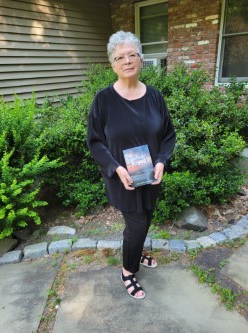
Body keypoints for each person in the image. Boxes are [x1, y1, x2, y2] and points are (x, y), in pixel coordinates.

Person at [87, 31, 176, 299]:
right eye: (120, 57)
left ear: (140, 59)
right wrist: (116, 167)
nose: (127, 61)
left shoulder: (155, 97)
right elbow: (95, 142)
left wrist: (162, 161)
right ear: (113, 64)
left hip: (149, 176)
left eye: (132, 55)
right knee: (136, 225)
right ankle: (128, 270)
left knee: (146, 219)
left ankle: (136, 253)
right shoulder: (103, 100)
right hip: (122, 178)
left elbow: (169, 135)